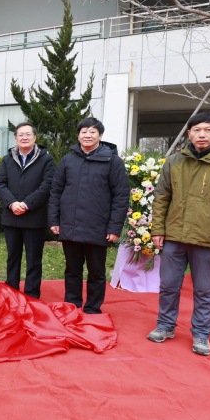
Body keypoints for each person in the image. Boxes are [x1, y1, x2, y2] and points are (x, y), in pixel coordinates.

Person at [147, 112, 210, 356]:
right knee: (168, 285)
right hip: (174, 236)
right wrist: (157, 229)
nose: (202, 135)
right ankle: (165, 325)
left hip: (207, 238)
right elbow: (161, 198)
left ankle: (202, 333)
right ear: (189, 133)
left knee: (204, 289)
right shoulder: (174, 161)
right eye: (196, 130)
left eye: (208, 130)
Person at [48, 117, 130, 314]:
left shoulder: (112, 161)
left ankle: (93, 308)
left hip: (98, 227)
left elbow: (121, 196)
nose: (87, 135)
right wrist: (54, 220)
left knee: (96, 271)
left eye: (92, 132)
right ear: (78, 135)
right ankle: (72, 305)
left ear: (100, 135)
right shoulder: (68, 160)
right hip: (70, 225)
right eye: (83, 132)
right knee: (72, 270)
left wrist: (114, 227)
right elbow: (56, 191)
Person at [0, 122, 55, 298]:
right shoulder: (8, 159)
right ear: (15, 138)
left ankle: (31, 294)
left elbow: (47, 184)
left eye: (28, 134)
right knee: (13, 257)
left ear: (35, 137)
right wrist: (12, 203)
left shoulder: (46, 159)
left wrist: (27, 204)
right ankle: (11, 292)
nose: (24, 138)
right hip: (11, 216)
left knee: (34, 259)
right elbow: (0, 183)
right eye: (21, 135)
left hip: (34, 217)